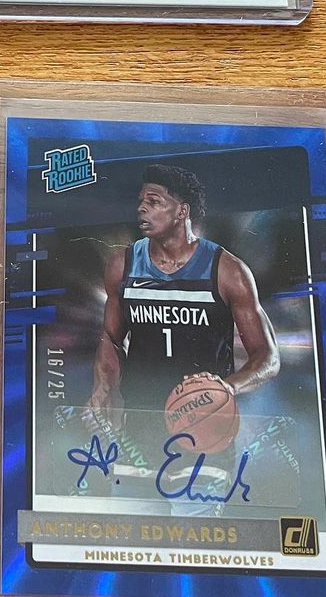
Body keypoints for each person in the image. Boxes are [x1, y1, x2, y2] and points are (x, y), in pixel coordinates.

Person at [85, 163, 278, 462]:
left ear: (182, 211)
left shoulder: (228, 271)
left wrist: (227, 387)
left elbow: (268, 356)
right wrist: (103, 388)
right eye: (141, 201)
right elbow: (111, 338)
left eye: (154, 202)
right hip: (142, 419)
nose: (142, 209)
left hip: (206, 422)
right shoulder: (122, 265)